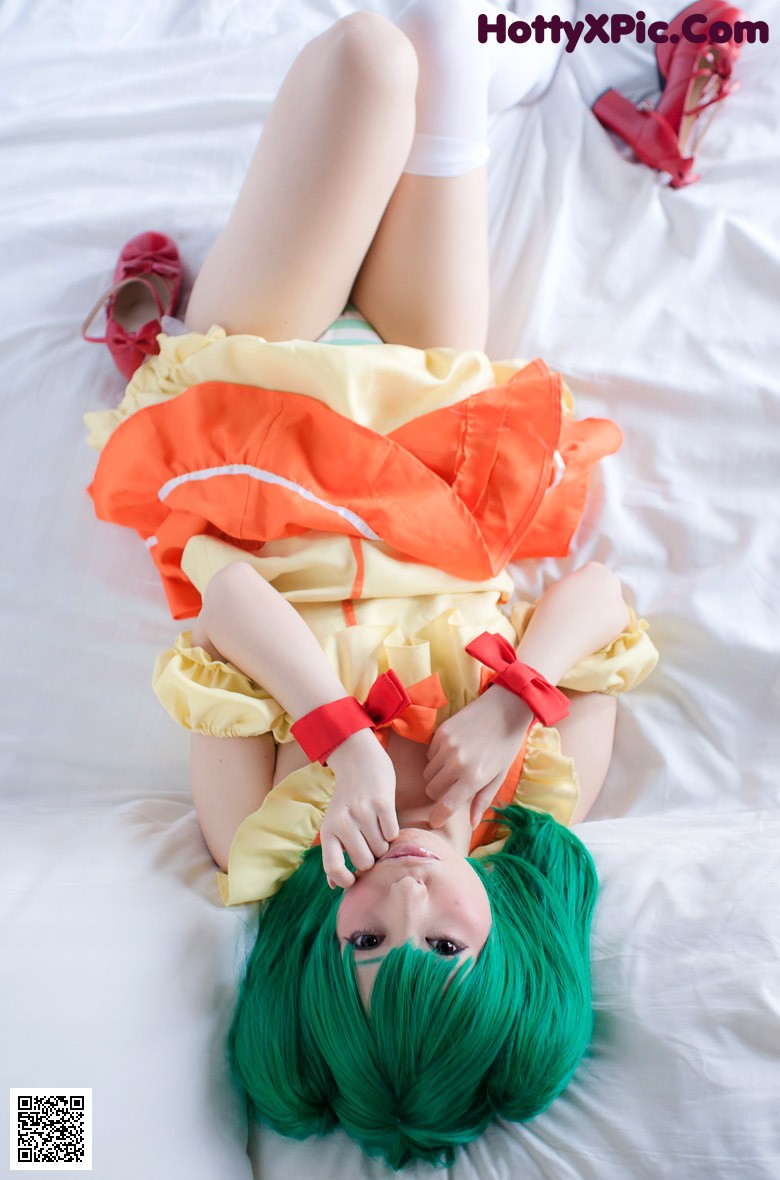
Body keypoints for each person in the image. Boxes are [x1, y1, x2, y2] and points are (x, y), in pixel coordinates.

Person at [83, 1, 658, 1168]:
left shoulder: (260, 838)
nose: (401, 904)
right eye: (441, 946)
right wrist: (516, 700)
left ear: (317, 950)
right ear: (510, 950)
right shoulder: (543, 797)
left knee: (367, 59)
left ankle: (188, 309)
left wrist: (337, 734)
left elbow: (220, 589)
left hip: (262, 412)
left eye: (363, 946)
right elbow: (603, 597)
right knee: (436, 32)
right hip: (431, 425)